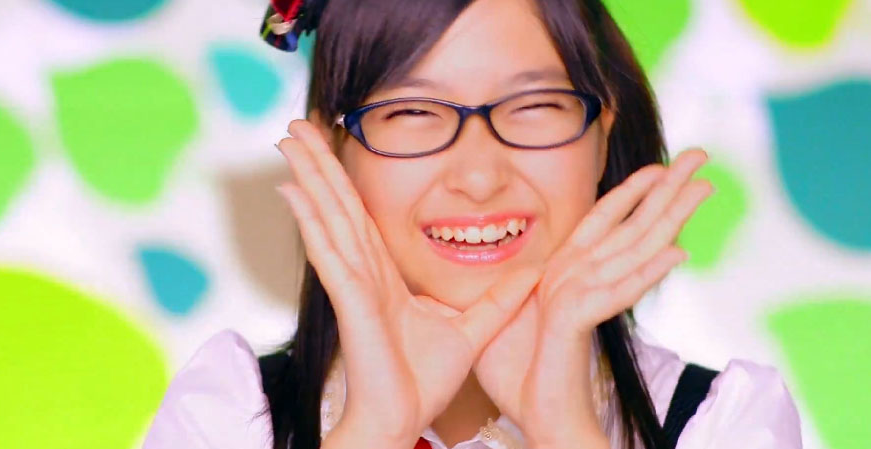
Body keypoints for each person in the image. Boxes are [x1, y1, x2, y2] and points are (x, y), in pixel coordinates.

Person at [142, 0, 803, 448]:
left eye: (535, 105)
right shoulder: (230, 416)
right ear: (331, 151)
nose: (480, 176)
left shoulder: (723, 423)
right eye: (411, 113)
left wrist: (563, 426)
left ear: (603, 133)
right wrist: (374, 428)